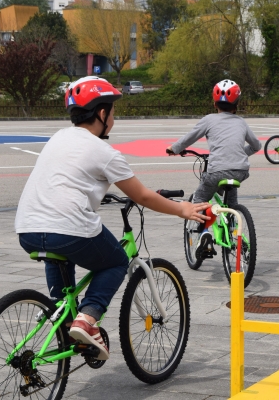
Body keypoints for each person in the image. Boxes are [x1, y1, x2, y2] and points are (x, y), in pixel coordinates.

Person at [15, 76, 208, 361]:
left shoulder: (57, 138)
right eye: (113, 112)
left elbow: (66, 180)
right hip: (69, 228)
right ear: (102, 114)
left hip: (27, 228)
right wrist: (183, 209)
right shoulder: (104, 152)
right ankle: (87, 318)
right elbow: (141, 195)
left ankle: (66, 321)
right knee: (117, 260)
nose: (114, 118)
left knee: (61, 259)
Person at [167, 79, 262, 257]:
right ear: (237, 105)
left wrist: (174, 148)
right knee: (230, 201)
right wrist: (241, 154)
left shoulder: (209, 119)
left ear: (214, 103)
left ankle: (204, 233)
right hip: (241, 171)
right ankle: (233, 227)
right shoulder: (241, 122)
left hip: (217, 170)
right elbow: (257, 145)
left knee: (200, 198)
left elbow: (190, 137)